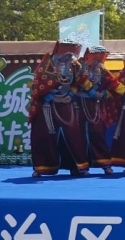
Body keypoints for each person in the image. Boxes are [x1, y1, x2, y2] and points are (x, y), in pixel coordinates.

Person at [28, 40, 90, 177]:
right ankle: (42, 168)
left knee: (74, 136)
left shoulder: (75, 65)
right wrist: (53, 97)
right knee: (44, 136)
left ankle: (78, 167)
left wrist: (71, 94)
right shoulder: (46, 65)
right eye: (65, 55)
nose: (68, 58)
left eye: (70, 55)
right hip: (47, 107)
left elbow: (78, 84)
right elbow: (38, 87)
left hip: (67, 105)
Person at [76, 45, 120, 174]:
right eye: (96, 57)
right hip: (78, 105)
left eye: (101, 58)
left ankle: (105, 164)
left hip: (96, 106)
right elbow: (76, 82)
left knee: (98, 133)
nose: (98, 60)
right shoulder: (77, 67)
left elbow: (114, 85)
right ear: (88, 56)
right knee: (78, 136)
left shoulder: (102, 70)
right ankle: (81, 167)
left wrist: (106, 94)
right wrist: (92, 93)